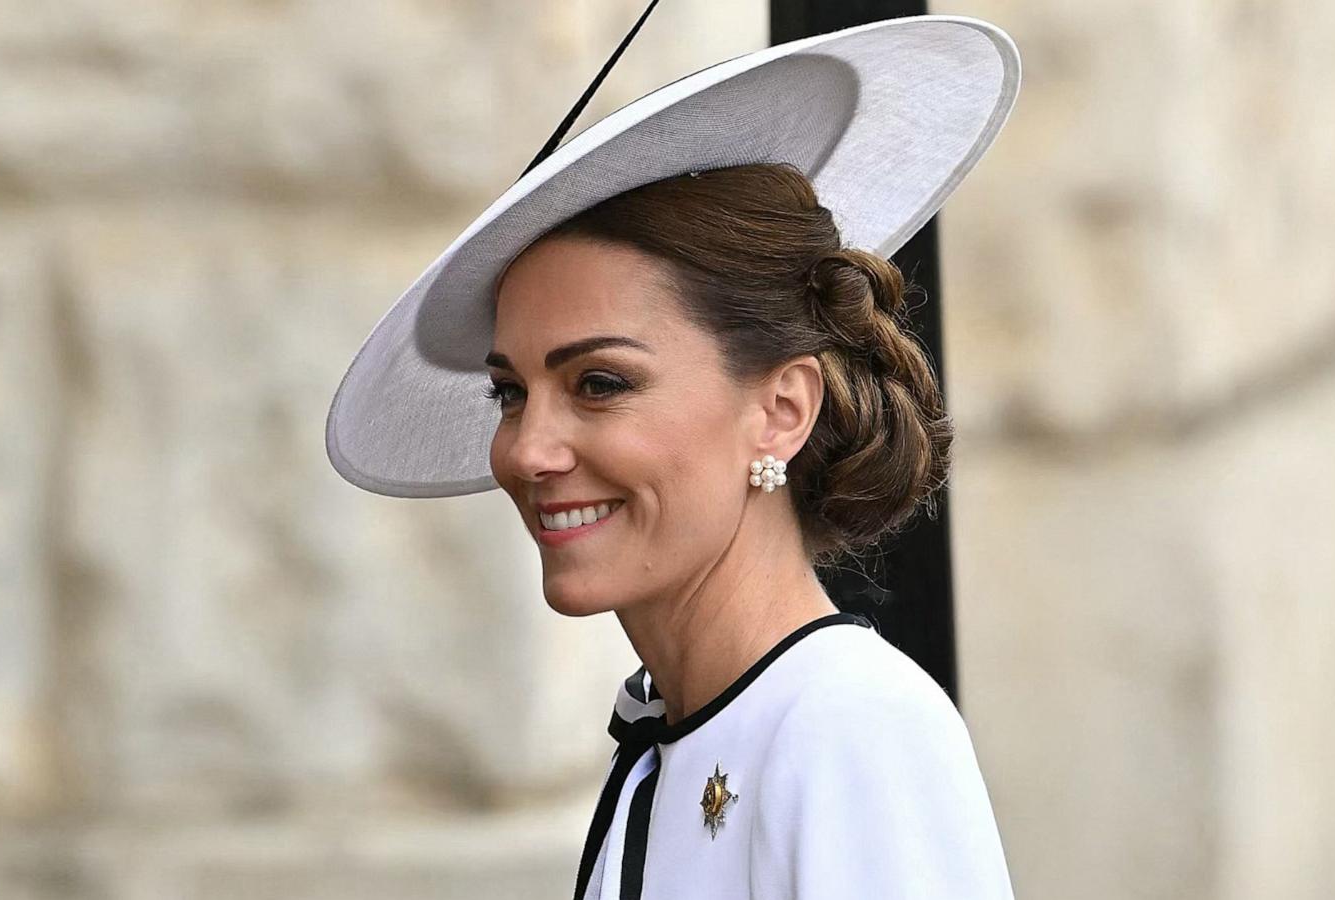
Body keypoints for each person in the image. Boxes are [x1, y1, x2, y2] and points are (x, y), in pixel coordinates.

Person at [325, 14, 1021, 900]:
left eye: (601, 383)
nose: (529, 449)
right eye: (511, 392)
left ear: (780, 410)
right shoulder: (670, 746)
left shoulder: (849, 726)